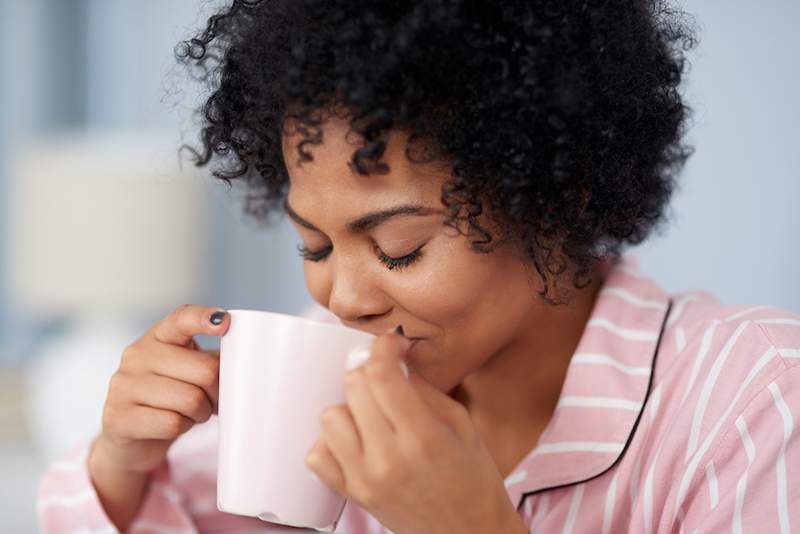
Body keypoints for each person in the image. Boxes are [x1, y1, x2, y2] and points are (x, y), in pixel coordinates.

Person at [37, 1, 799, 533]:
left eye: (400, 247)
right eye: (314, 245)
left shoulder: (755, 401)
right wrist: (122, 465)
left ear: (557, 201)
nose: (343, 298)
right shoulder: (326, 375)